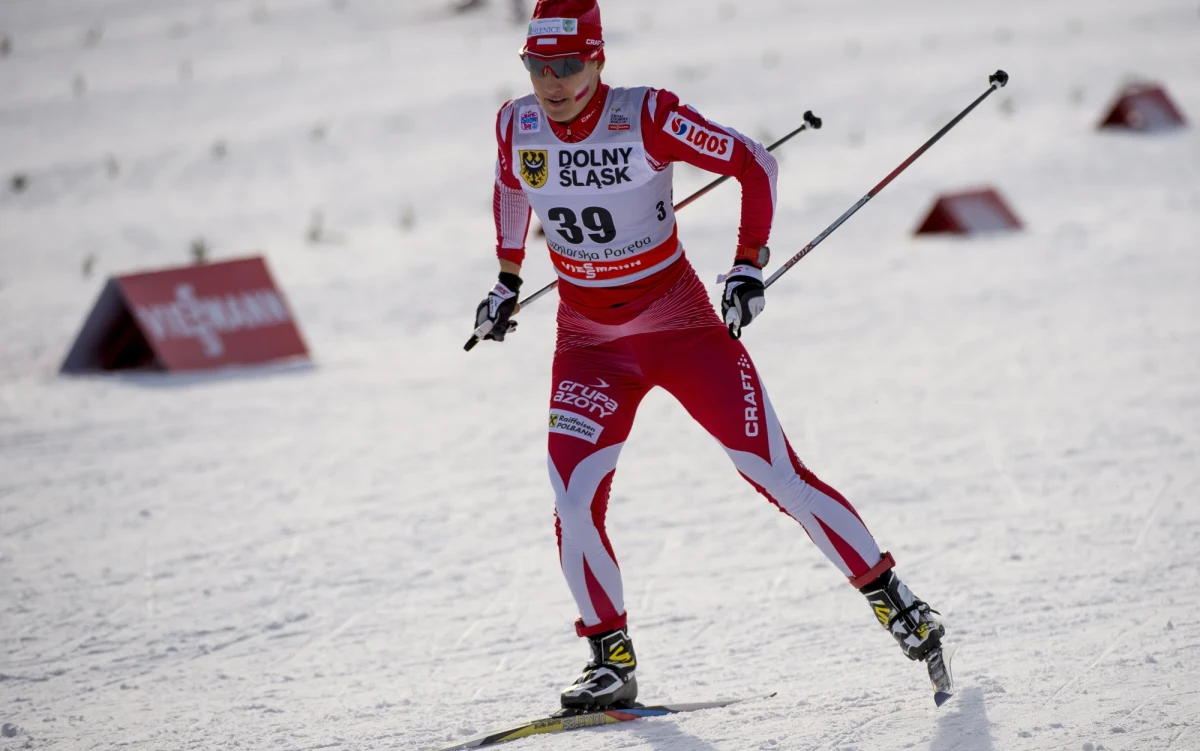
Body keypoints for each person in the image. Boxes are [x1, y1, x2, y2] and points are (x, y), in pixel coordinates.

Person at [473, 0, 945, 711]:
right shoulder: (518, 124)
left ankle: (898, 600)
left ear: (598, 59)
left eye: (569, 64)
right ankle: (610, 656)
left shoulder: (648, 115)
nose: (554, 81)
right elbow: (512, 185)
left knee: (773, 472)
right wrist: (508, 279)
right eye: (540, 65)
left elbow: (754, 163)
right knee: (572, 499)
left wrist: (748, 264)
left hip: (682, 330)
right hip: (588, 347)